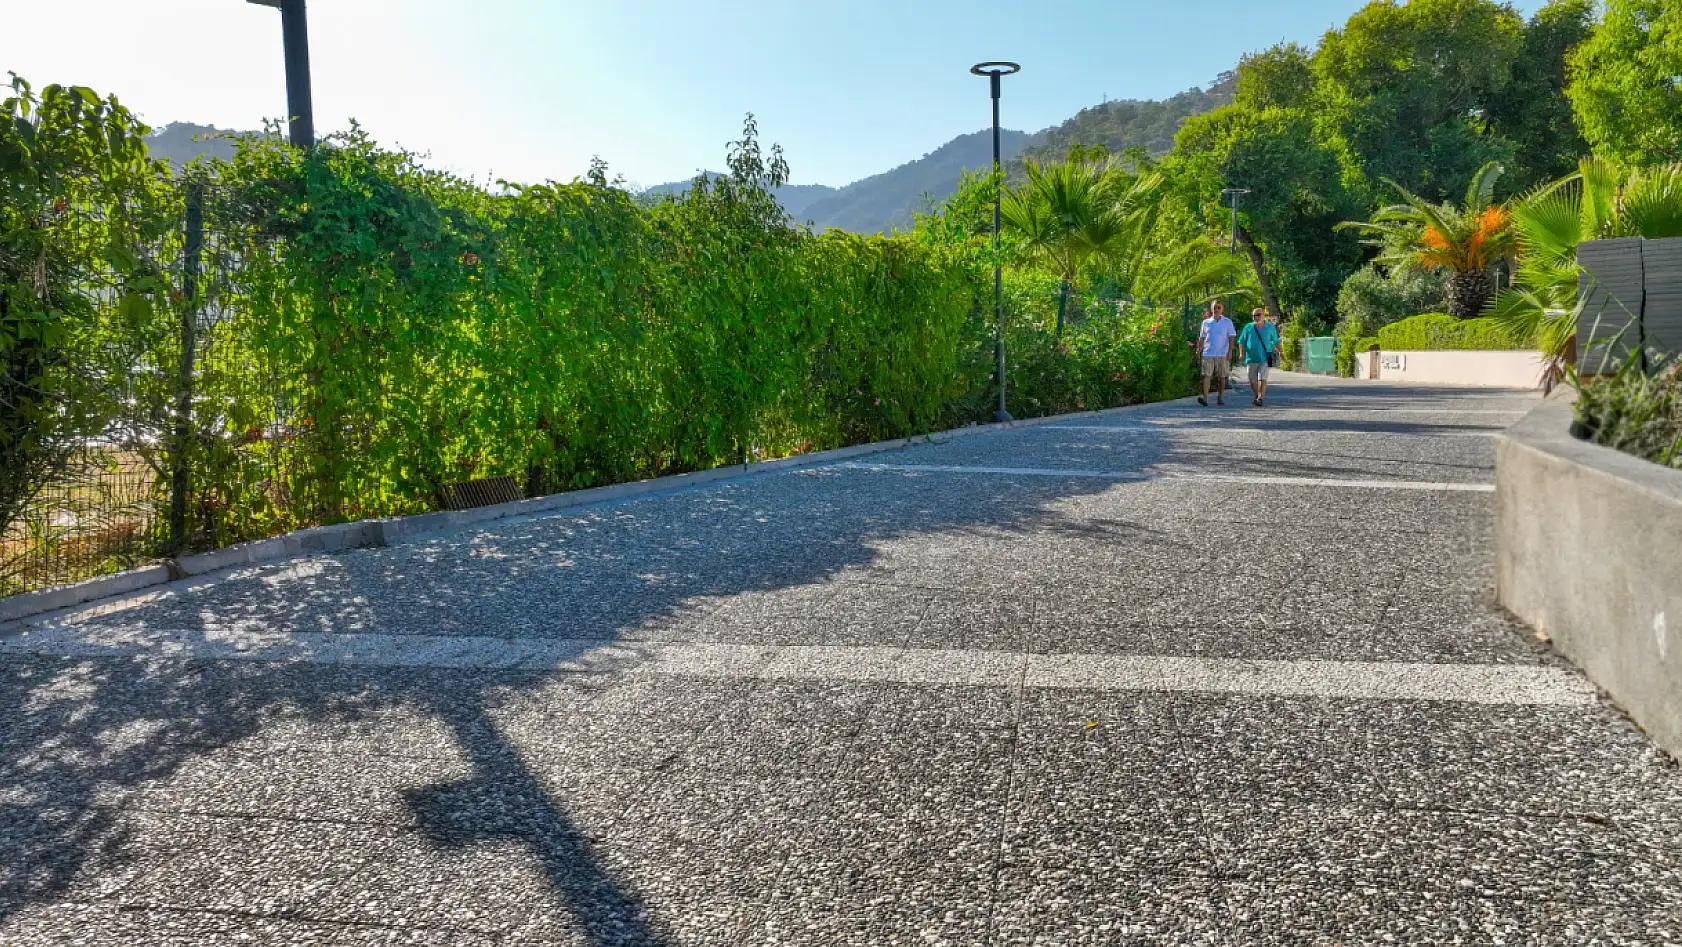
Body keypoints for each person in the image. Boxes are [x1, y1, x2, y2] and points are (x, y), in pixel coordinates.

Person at [1196, 301, 1237, 407]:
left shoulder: (1227, 322)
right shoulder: (1206, 322)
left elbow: (1231, 337)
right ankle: (1205, 398)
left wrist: (1230, 351)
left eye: (1219, 307)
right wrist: (1198, 349)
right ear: (1211, 309)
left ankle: (1220, 397)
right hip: (1208, 353)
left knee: (1222, 377)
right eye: (1215, 307)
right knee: (1206, 376)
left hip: (1222, 354)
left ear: (1222, 309)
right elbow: (1202, 337)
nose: (1216, 309)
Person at [1238, 307, 1280, 406]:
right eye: (1253, 315)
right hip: (1251, 358)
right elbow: (1241, 341)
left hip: (1266, 356)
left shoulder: (1270, 327)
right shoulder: (1248, 327)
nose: (1255, 317)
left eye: (1258, 315)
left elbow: (1276, 341)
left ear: (1263, 315)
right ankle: (1257, 396)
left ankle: (1260, 398)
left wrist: (1281, 352)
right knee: (1252, 381)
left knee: (1262, 378)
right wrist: (1241, 353)